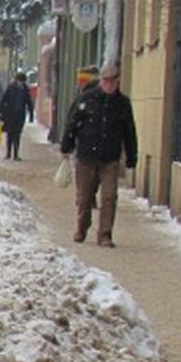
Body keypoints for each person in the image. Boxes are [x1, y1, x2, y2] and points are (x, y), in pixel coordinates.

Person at [60, 61, 138, 248]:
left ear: (118, 80)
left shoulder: (123, 104)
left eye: (112, 80)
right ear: (101, 80)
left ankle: (105, 234)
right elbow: (72, 124)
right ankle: (82, 226)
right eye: (105, 80)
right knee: (84, 197)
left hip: (110, 158)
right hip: (86, 157)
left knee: (109, 197)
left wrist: (131, 155)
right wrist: (66, 145)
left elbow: (129, 132)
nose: (109, 84)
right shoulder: (86, 100)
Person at [0, 72, 34, 161]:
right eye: (20, 81)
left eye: (23, 81)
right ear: (17, 80)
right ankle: (8, 153)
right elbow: (2, 100)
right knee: (10, 134)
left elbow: (29, 102)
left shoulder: (25, 89)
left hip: (20, 115)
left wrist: (31, 114)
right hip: (10, 114)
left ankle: (16, 154)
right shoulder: (11, 88)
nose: (21, 83)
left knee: (17, 134)